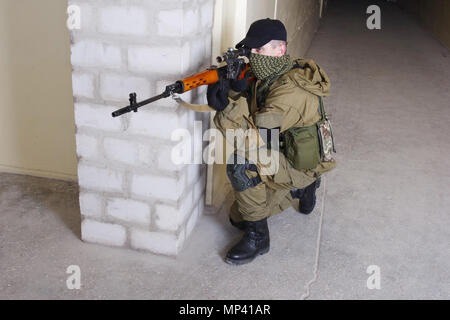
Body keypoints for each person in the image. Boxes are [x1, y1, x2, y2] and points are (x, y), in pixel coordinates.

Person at [207, 18, 337, 265]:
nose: (253, 56)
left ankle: (260, 238)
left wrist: (225, 107)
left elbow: (255, 140)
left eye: (259, 50)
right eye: (251, 51)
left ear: (281, 50)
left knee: (241, 165)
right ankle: (300, 189)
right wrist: (237, 89)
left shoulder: (291, 92)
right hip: (283, 150)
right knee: (237, 218)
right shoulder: (271, 73)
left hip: (298, 163)